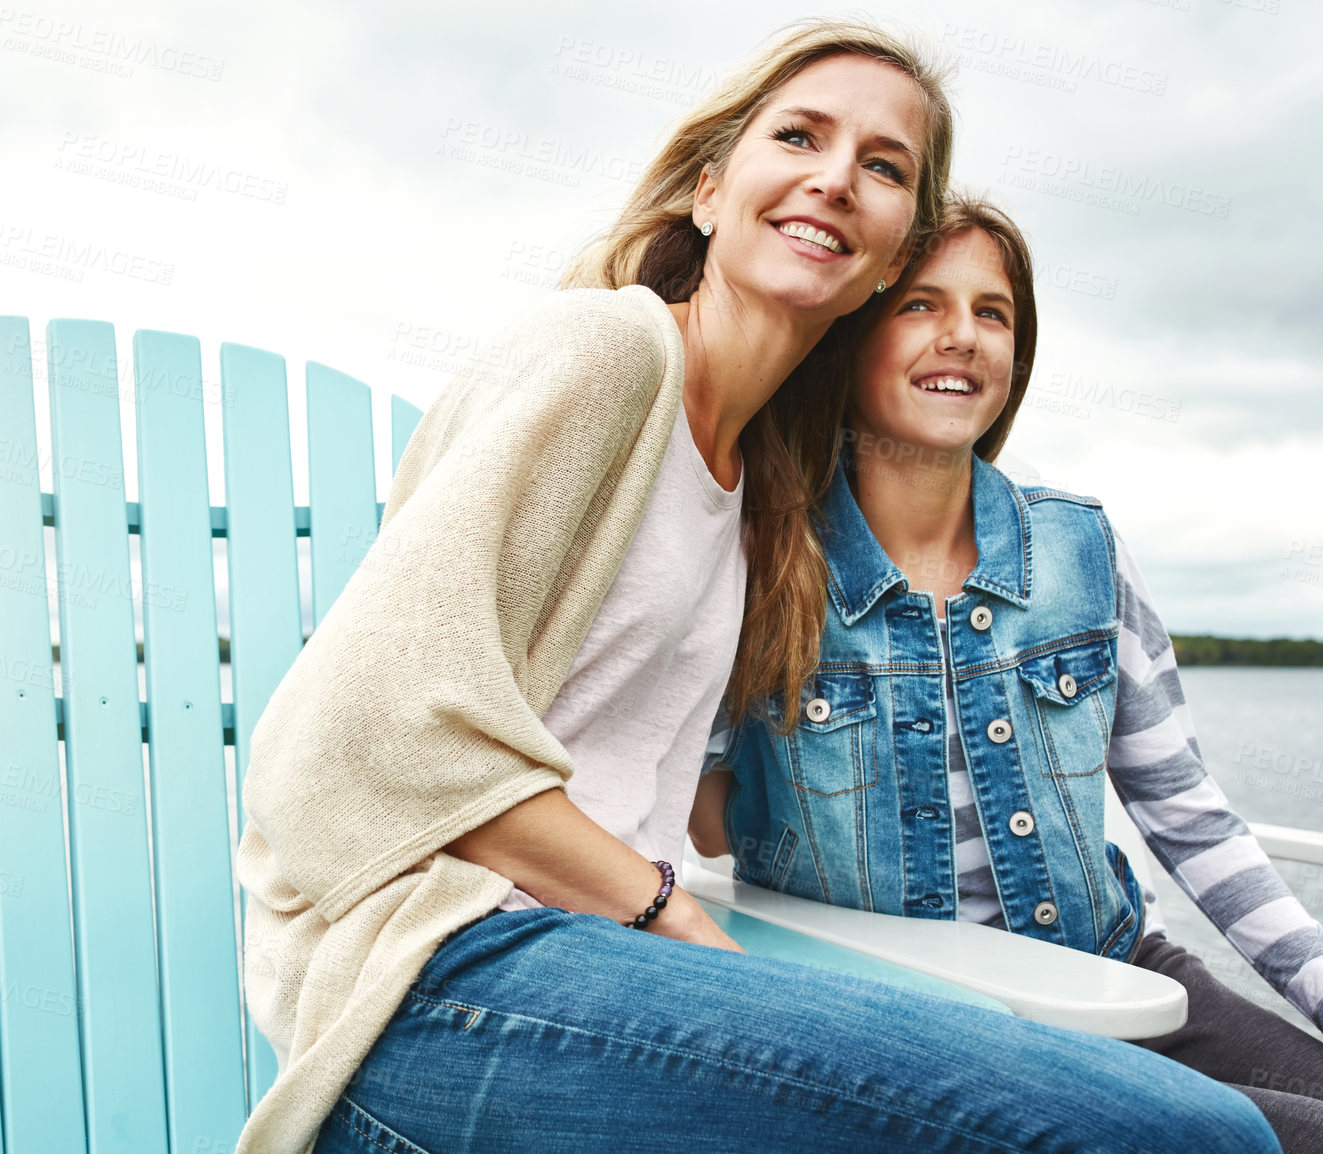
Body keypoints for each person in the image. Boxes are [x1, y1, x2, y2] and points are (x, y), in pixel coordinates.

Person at [233, 18, 1281, 1154]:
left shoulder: (756, 488)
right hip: (440, 972)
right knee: (1198, 1136)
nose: (837, 177)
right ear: (707, 188)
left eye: (883, 167)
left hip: (603, 967)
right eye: (800, 135)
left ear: (887, 254)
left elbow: (712, 786)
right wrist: (666, 905)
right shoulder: (607, 353)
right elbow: (347, 737)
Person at [690, 194, 1323, 1151]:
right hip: (916, 1031)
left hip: (1116, 974)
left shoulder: (1080, 548)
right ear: (851, 334)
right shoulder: (759, 564)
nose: (963, 337)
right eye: (919, 305)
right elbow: (701, 819)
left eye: (993, 313)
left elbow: (1190, 820)